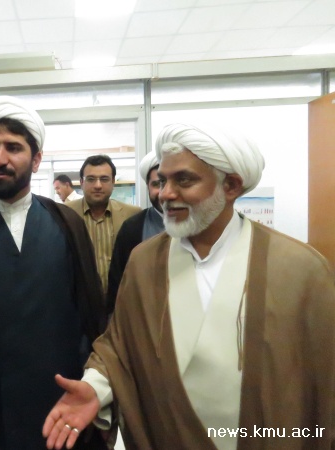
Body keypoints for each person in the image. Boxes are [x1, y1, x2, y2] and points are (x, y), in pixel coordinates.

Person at [43, 123, 335, 450]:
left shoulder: (299, 269)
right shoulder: (144, 262)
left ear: (231, 186)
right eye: (163, 180)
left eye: (184, 180)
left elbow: (323, 375)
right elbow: (119, 346)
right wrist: (95, 388)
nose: (166, 194)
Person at [0, 95, 107, 450]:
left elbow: (90, 313)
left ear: (36, 159)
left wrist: (91, 380)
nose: (0, 159)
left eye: (13, 148)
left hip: (61, 401)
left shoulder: (67, 223)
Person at [65, 154, 141, 294]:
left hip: (120, 299)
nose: (98, 185)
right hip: (78, 301)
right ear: (81, 182)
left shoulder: (133, 215)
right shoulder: (64, 214)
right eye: (91, 179)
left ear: (113, 182)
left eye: (104, 179)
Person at [106, 151, 165, 311]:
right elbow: (118, 283)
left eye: (168, 183)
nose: (164, 192)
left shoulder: (200, 225)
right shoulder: (132, 227)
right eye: (157, 184)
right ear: (148, 187)